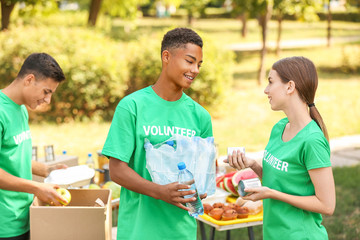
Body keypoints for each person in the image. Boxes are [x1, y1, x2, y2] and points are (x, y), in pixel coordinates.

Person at [102, 28, 213, 240]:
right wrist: (160, 192)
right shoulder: (132, 106)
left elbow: (204, 171)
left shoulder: (201, 116)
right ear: (166, 56)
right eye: (189, 61)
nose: (195, 70)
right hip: (139, 231)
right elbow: (116, 170)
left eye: (199, 64)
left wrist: (202, 184)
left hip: (181, 232)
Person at [226, 56, 336, 240]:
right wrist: (253, 164)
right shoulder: (279, 128)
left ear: (290, 86)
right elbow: (278, 182)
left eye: (270, 82)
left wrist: (272, 194)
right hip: (274, 234)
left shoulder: (312, 141)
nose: (265, 90)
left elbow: (327, 205)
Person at [0, 53, 68, 240]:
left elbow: (12, 156)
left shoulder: (21, 109)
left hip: (25, 217)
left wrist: (46, 170)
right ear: (30, 80)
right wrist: (37, 188)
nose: (48, 100)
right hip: (4, 225)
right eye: (46, 92)